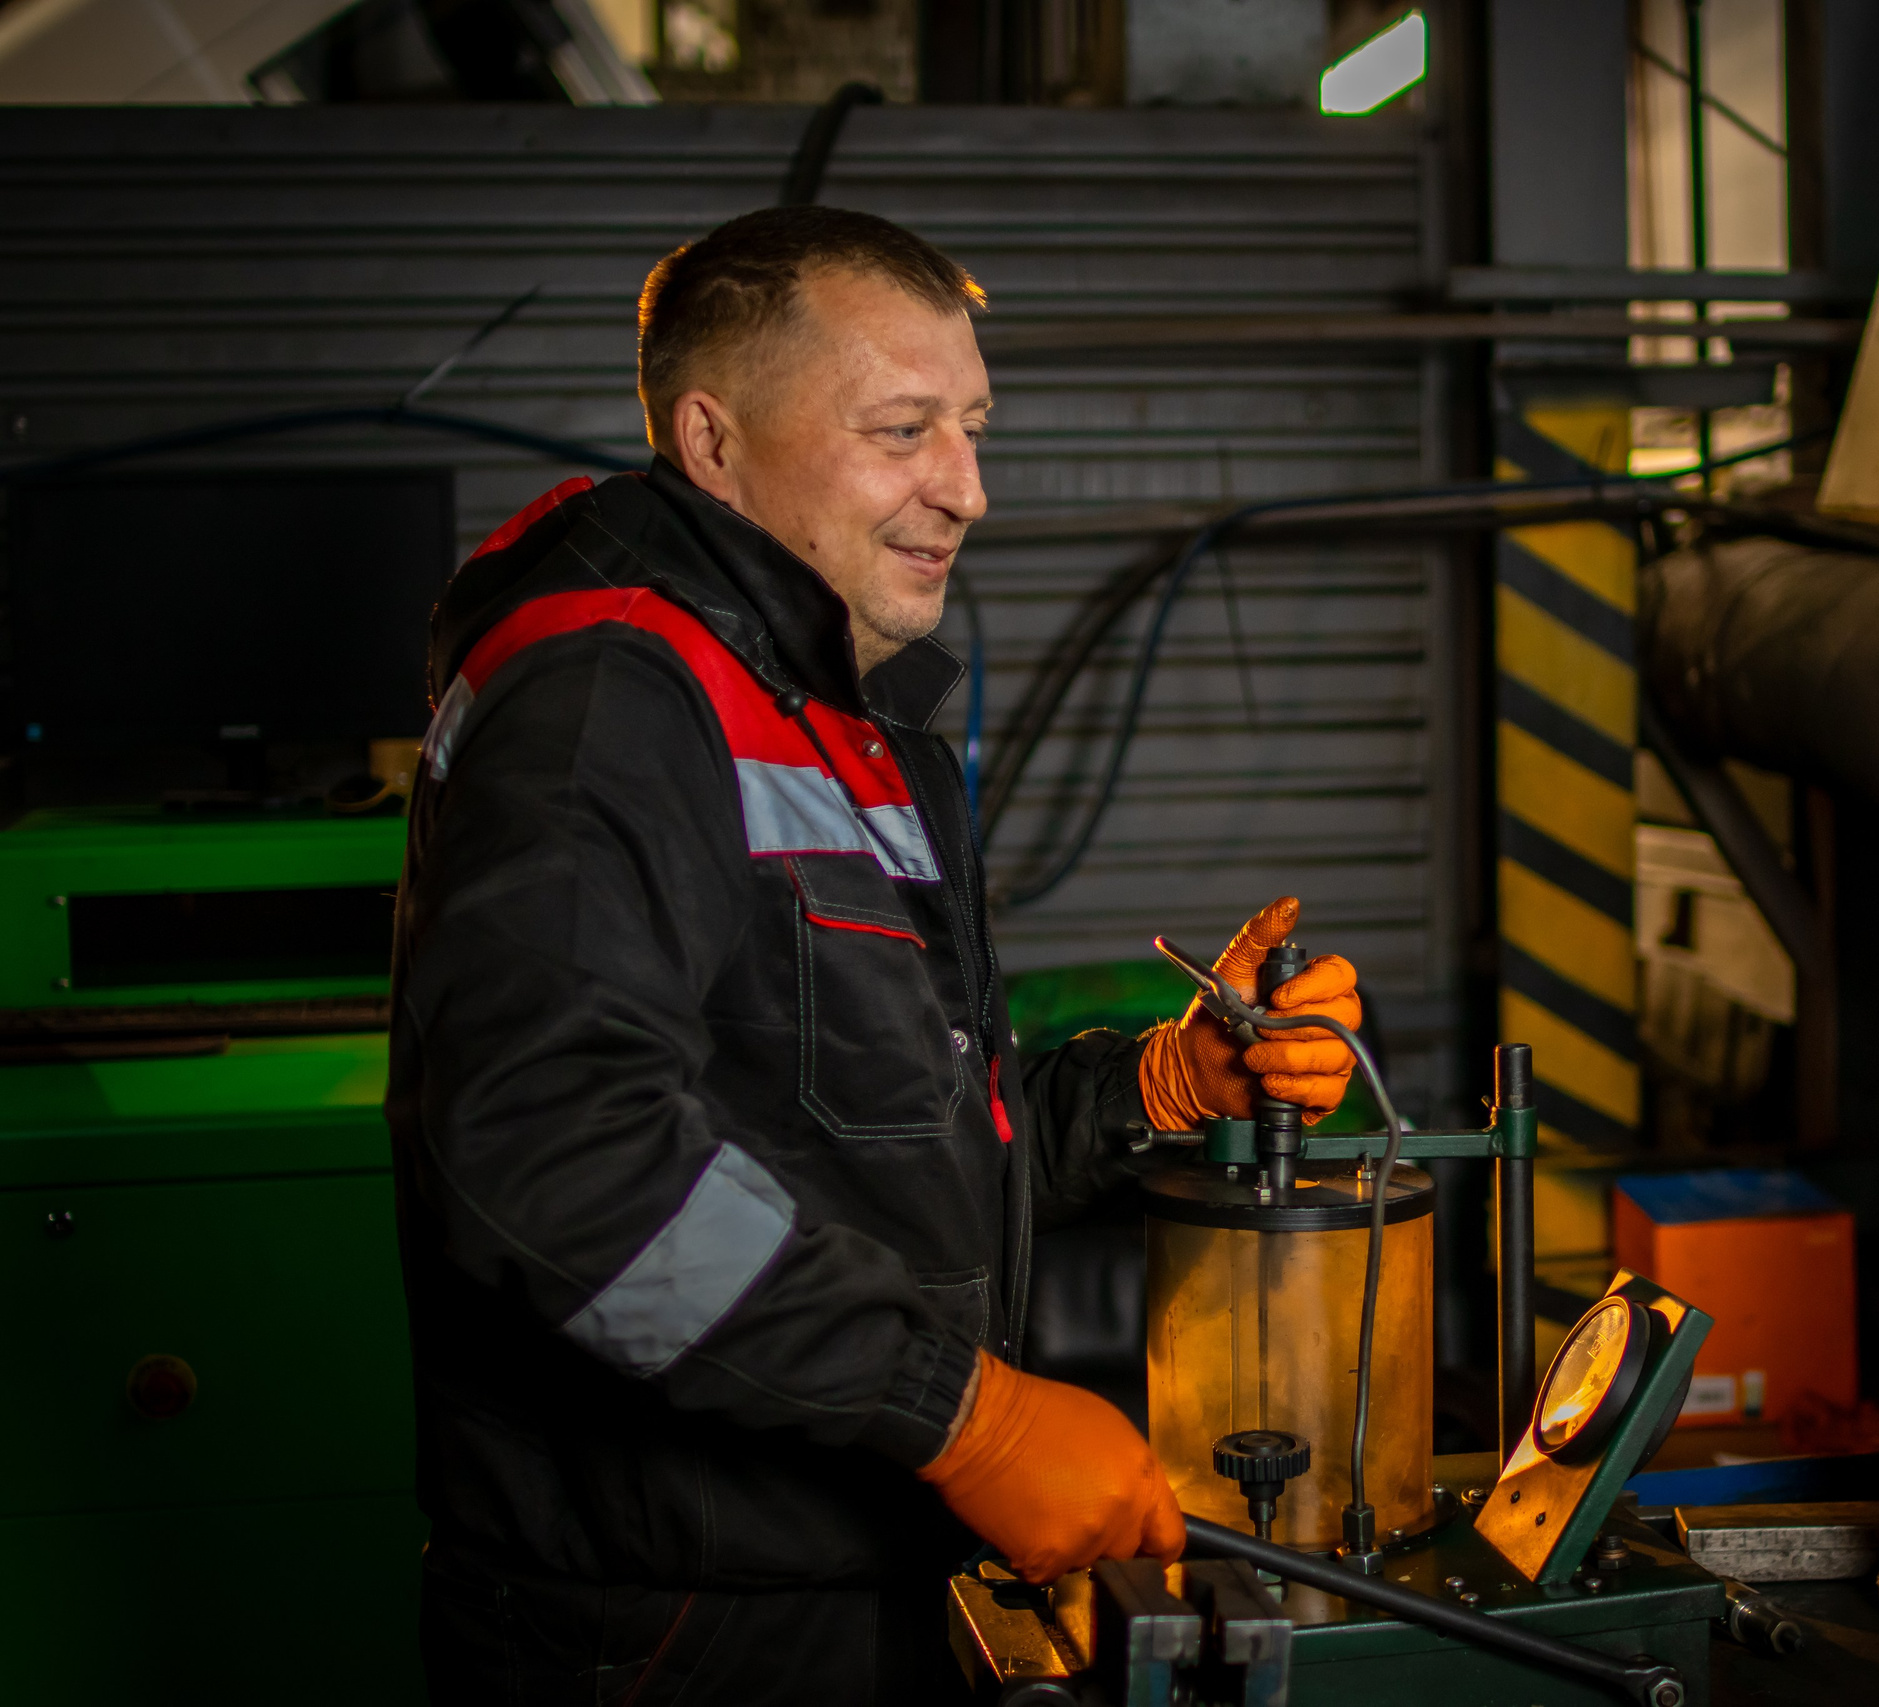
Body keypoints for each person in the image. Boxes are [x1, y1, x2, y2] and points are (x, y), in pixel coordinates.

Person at [387, 205, 1364, 1704]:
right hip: (667, 1637)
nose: (965, 489)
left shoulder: (827, 718)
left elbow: (873, 1140)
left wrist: (1169, 1082)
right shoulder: (612, 701)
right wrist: (967, 1420)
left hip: (844, 1578)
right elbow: (552, 1161)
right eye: (904, 430)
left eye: (971, 430)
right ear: (713, 442)